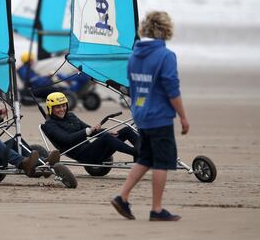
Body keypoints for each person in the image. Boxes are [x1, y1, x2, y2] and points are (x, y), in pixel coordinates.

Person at [111, 11, 189, 221]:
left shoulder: (134, 55)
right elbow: (172, 89)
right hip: (159, 116)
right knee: (162, 162)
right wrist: (183, 116)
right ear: (166, 29)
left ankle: (122, 196)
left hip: (141, 114)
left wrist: (137, 111)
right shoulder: (165, 56)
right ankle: (156, 209)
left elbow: (132, 86)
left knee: (145, 158)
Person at [42, 92, 138, 164]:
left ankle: (144, 150)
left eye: (63, 106)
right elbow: (67, 139)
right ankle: (138, 153)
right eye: (57, 107)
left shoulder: (70, 115)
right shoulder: (50, 125)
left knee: (126, 130)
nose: (62, 109)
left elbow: (88, 129)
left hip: (92, 149)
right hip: (84, 156)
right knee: (106, 138)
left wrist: (106, 131)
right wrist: (89, 131)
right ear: (51, 108)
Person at [17, 52, 89, 98]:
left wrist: (47, 77)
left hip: (40, 86)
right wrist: (47, 79)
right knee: (59, 90)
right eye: (32, 60)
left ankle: (68, 94)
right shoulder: (24, 70)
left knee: (59, 88)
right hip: (36, 89)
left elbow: (36, 78)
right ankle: (68, 98)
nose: (33, 61)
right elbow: (34, 80)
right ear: (28, 60)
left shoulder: (27, 69)